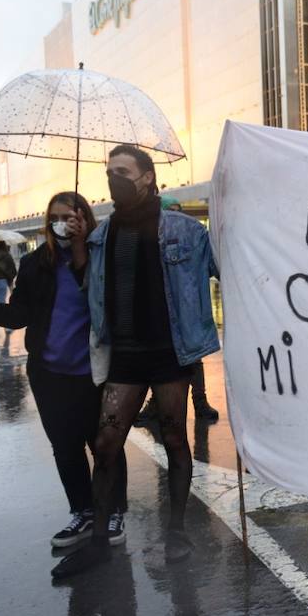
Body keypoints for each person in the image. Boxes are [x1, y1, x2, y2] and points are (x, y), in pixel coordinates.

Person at [51, 144, 219, 579]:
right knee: (106, 445)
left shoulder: (187, 231)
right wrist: (75, 245)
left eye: (123, 171)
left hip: (169, 354)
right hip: (124, 357)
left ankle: (177, 532)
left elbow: (226, 267)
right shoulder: (102, 235)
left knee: (175, 439)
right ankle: (100, 542)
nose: (114, 178)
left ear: (147, 177)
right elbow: (90, 287)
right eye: (109, 172)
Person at [0, 192, 129, 549]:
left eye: (71, 215)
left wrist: (82, 249)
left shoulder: (102, 258)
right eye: (57, 216)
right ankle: (82, 511)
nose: (63, 222)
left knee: (105, 446)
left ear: (86, 219)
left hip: (95, 374)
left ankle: (112, 511)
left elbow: (115, 305)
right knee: (65, 449)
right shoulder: (36, 264)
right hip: (49, 375)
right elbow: (18, 315)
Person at [136, 196, 220, 424]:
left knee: (194, 360)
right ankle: (155, 404)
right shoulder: (146, 240)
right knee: (161, 365)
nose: (177, 216)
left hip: (187, 318)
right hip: (160, 320)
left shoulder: (191, 236)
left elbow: (212, 268)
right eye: (171, 211)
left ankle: (200, 403)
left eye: (178, 210)